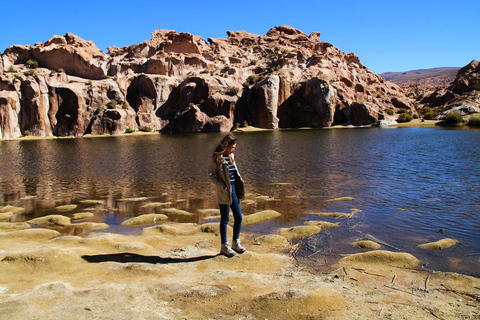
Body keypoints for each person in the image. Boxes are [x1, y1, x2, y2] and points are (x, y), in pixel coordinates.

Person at [208, 134, 246, 257]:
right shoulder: (217, 158)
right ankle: (224, 246)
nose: (234, 149)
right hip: (224, 192)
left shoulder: (231, 157)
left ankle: (236, 242)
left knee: (239, 217)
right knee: (225, 219)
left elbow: (235, 173)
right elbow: (210, 174)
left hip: (234, 190)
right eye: (232, 147)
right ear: (226, 146)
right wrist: (220, 184)